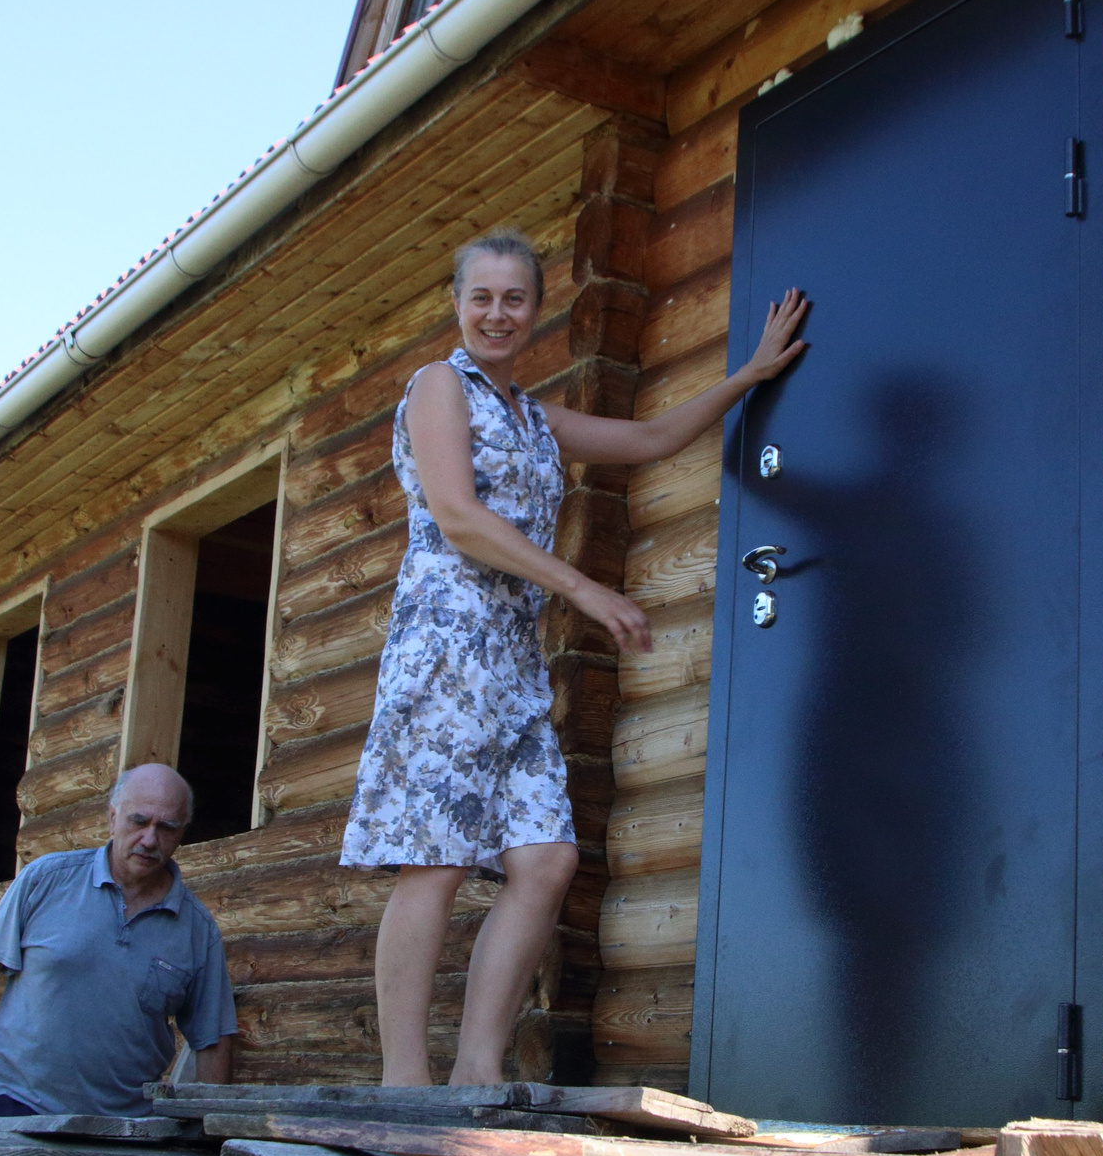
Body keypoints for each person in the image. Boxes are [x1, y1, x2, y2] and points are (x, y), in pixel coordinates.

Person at [342, 227, 808, 1085]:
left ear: (535, 310)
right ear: (458, 304)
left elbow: (653, 439)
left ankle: (476, 1069)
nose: (496, 312)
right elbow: (457, 514)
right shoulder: (437, 386)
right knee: (435, 860)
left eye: (513, 298)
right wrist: (584, 588)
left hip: (514, 668)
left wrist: (747, 376)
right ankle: (402, 1085)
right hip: (444, 652)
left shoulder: (535, 417)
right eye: (480, 296)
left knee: (547, 858)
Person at [0, 762, 237, 1117]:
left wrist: (209, 1127)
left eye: (167, 827)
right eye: (138, 821)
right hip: (20, 1104)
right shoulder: (46, 880)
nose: (149, 839)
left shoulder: (197, 929)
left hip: (126, 1126)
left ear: (182, 833)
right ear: (112, 817)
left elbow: (213, 1039)